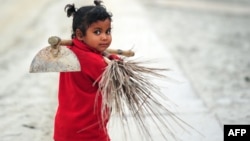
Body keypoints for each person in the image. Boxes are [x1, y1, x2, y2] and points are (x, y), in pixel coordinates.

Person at [54, 1, 114, 141]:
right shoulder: (92, 61)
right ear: (80, 35)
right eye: (97, 32)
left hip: (64, 130)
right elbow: (116, 81)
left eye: (108, 31)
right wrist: (116, 62)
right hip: (88, 132)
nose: (104, 37)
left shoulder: (69, 53)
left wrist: (108, 56)